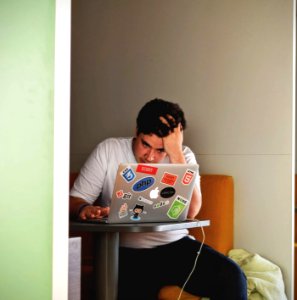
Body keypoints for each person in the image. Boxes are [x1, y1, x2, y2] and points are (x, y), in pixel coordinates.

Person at [69, 98, 247, 300]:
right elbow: (74, 200)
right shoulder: (109, 150)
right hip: (125, 252)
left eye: (160, 149)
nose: (151, 156)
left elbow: (192, 211)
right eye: (146, 145)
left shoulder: (183, 156)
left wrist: (176, 154)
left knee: (232, 277)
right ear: (137, 131)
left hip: (175, 248)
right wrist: (84, 208)